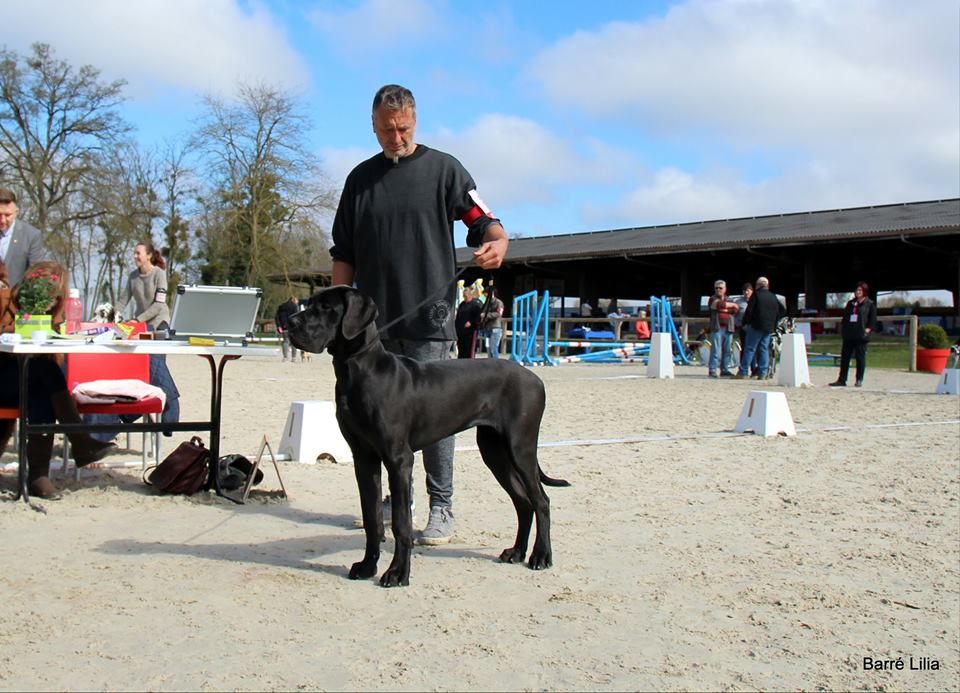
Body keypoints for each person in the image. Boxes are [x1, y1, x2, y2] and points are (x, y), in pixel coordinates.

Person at [330, 84, 508, 545]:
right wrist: (335, 313)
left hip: (431, 316)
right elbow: (343, 253)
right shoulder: (358, 180)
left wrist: (497, 240)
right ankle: (395, 502)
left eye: (404, 128)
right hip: (370, 328)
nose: (396, 137)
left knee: (439, 417)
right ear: (372, 126)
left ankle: (442, 505)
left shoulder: (443, 169)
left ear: (416, 120)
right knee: (374, 418)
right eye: (387, 130)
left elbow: (481, 218)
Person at [0, 261, 114, 499]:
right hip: (3, 377)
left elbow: (55, 354)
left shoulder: (52, 313)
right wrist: (15, 331)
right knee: (46, 371)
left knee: (44, 391)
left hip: (27, 383)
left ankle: (39, 476)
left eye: (54, 298)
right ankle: (80, 441)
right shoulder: (5, 299)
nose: (49, 301)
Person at [107, 240, 180, 434]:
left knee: (157, 369)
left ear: (148, 255)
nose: (135, 256)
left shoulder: (159, 275)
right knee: (141, 371)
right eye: (134, 253)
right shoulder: (132, 277)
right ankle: (130, 414)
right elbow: (123, 301)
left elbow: (158, 305)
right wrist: (111, 317)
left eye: (138, 253)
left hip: (158, 324)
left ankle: (169, 415)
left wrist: (135, 320)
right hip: (140, 327)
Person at [736, 276, 786, 380]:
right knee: (764, 349)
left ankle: (743, 371)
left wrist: (745, 323)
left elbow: (749, 311)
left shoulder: (756, 295)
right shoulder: (773, 296)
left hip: (756, 326)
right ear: (767, 285)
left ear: (758, 285)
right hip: (768, 327)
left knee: (750, 348)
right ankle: (763, 372)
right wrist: (774, 321)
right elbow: (782, 311)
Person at [831, 281, 877, 388]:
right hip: (849, 334)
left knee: (860, 358)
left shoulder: (869, 304)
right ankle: (842, 379)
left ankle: (859, 379)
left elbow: (872, 319)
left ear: (864, 291)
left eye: (860, 290)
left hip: (861, 335)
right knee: (845, 358)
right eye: (857, 290)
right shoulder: (851, 303)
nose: (858, 292)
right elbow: (846, 317)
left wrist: (868, 330)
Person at [0, 188, 49, 286]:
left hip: (16, 298)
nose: (3, 220)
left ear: (16, 212)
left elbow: (36, 274)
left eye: (7, 215)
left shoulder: (31, 235)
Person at [707, 280, 739, 377]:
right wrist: (731, 306)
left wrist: (727, 307)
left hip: (728, 328)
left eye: (720, 288)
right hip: (716, 328)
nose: (718, 290)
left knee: (727, 350)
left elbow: (735, 310)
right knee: (715, 350)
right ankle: (712, 370)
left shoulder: (730, 299)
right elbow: (719, 305)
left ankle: (724, 369)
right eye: (716, 288)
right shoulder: (712, 299)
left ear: (725, 289)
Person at [735, 282, 758, 377]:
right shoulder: (738, 302)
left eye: (748, 290)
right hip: (742, 328)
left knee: (753, 349)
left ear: (752, 291)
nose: (746, 292)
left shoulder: (756, 300)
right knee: (744, 348)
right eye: (744, 291)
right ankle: (743, 369)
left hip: (753, 328)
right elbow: (735, 315)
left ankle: (754, 369)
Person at [454, 287, 483, 358]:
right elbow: (458, 317)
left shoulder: (475, 305)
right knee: (461, 349)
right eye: (464, 296)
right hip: (461, 332)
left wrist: (471, 322)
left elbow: (479, 316)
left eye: (466, 296)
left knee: (469, 350)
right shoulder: (462, 304)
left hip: (470, 332)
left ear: (470, 295)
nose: (465, 298)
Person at [275, 296, 302, 362]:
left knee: (286, 341)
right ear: (294, 300)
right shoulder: (295, 306)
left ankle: (285, 357)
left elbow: (277, 317)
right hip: (292, 327)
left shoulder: (281, 306)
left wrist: (279, 325)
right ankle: (293, 358)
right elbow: (297, 317)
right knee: (294, 342)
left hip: (284, 327)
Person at [479, 287, 505, 359]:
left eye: (486, 294)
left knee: (493, 348)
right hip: (487, 328)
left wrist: (486, 315)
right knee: (488, 348)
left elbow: (499, 314)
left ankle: (496, 365)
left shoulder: (499, 303)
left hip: (495, 328)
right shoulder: (487, 303)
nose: (485, 296)